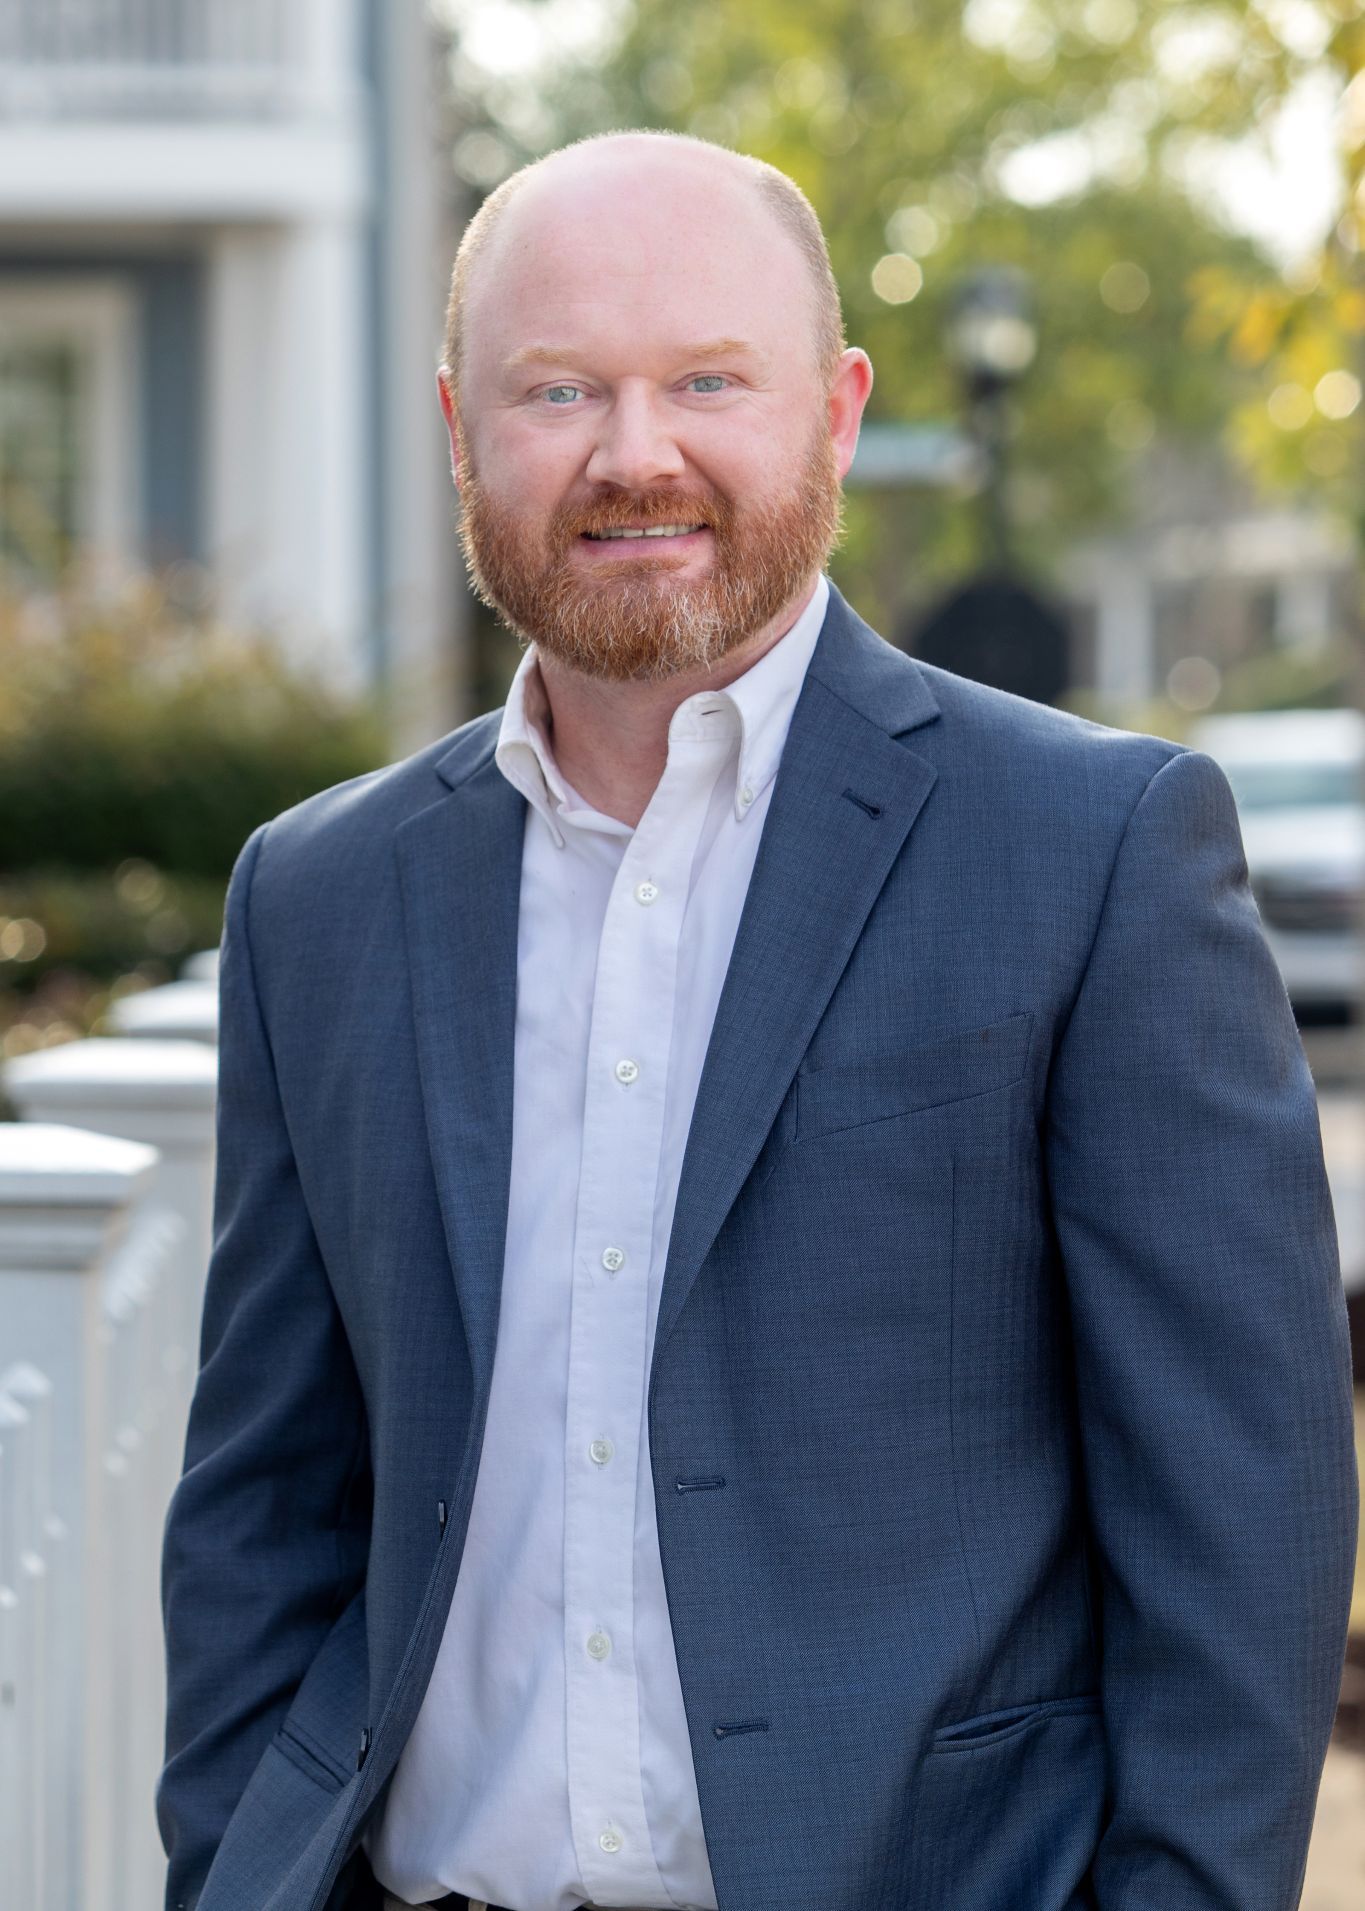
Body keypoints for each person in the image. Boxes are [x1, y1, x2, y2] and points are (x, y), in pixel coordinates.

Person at [158, 130, 1357, 1911]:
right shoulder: (317, 899)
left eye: (707, 380)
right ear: (459, 426)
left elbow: (1236, 1500)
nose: (634, 454)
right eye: (558, 387)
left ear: (838, 409)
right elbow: (263, 1499)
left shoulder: (1092, 849)